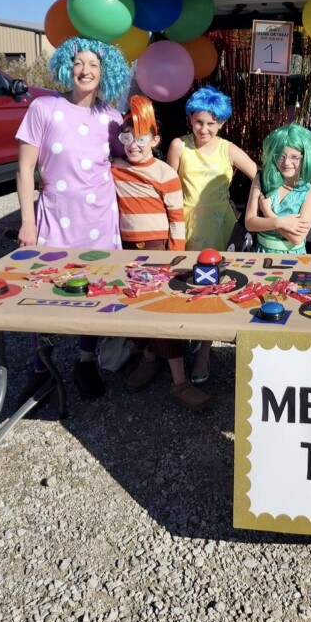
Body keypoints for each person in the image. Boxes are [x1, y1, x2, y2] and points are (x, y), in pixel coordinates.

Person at [15, 36, 130, 402]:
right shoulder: (43, 108)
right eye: (79, 63)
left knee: (93, 290)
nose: (86, 70)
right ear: (67, 66)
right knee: (44, 290)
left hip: (99, 218)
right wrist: (28, 222)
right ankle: (40, 368)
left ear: (104, 72)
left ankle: (85, 360)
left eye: (94, 65)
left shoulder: (112, 118)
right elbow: (24, 169)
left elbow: (124, 160)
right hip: (55, 217)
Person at [111, 95, 209, 410]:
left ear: (155, 139)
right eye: (127, 136)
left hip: (159, 252)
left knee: (163, 312)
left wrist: (174, 256)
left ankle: (179, 381)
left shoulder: (166, 173)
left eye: (141, 138)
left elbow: (176, 218)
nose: (133, 144)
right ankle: (149, 358)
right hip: (127, 251)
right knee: (138, 308)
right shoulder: (114, 168)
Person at [167, 86, 257, 383]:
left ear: (222, 123)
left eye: (211, 123)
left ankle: (204, 351)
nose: (204, 129)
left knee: (212, 286)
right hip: (186, 225)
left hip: (219, 226)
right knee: (182, 284)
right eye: (198, 121)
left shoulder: (228, 148)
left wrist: (250, 209)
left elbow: (259, 175)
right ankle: (179, 341)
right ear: (189, 118)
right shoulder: (179, 146)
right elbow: (167, 186)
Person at [245, 124, 311, 254]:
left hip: (293, 258)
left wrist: (269, 214)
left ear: (306, 158)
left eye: (294, 157)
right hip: (261, 254)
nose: (286, 163)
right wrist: (280, 222)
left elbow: (297, 238)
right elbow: (250, 223)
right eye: (281, 156)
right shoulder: (262, 179)